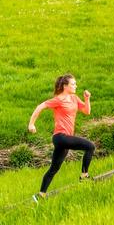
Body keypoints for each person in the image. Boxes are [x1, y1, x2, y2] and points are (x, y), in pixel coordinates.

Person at [28, 74, 95, 203]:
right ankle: (84, 175)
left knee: (54, 168)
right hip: (60, 137)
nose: (76, 86)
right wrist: (31, 124)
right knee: (90, 146)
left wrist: (87, 98)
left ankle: (40, 195)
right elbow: (40, 107)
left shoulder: (74, 98)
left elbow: (87, 111)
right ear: (65, 86)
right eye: (73, 84)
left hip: (65, 139)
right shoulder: (58, 99)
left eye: (75, 84)